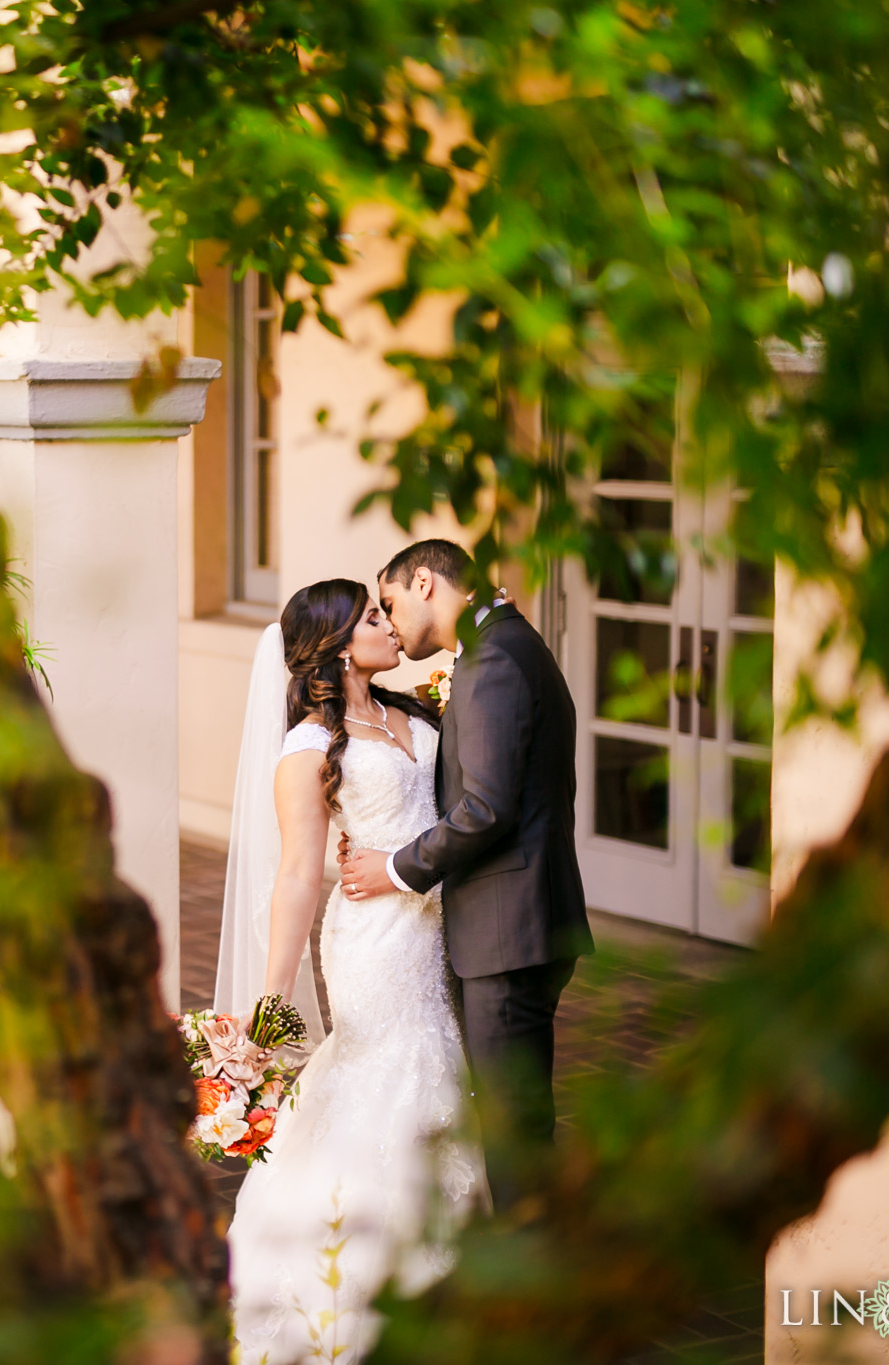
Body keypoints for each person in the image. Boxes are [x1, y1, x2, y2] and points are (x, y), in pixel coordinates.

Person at [217, 578, 483, 1365]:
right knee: (389, 1079)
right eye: (371, 616)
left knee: (441, 1068)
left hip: (434, 932)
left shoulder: (415, 713)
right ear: (335, 647)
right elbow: (299, 874)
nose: (388, 623)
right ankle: (357, 1290)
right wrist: (270, 1005)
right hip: (371, 944)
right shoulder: (306, 746)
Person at [337, 539, 593, 1214]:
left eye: (389, 603)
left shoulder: (494, 659)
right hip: (515, 921)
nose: (389, 623)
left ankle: (533, 1277)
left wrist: (395, 867)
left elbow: (485, 808)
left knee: (513, 1124)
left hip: (509, 929)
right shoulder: (501, 645)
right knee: (514, 1114)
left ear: (425, 581)